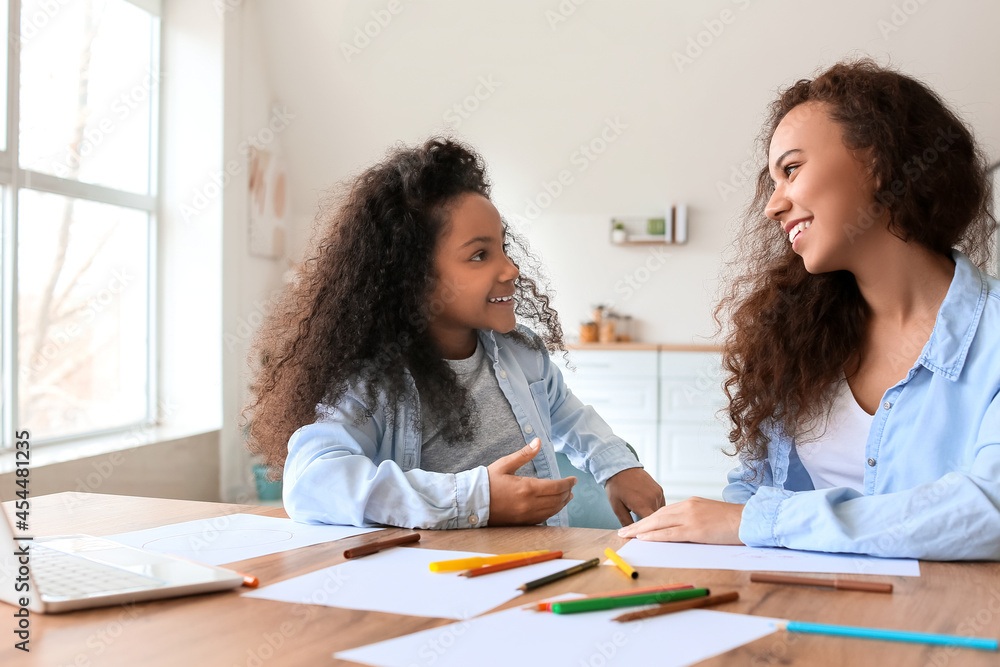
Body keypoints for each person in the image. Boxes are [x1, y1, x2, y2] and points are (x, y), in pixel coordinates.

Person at [619, 59, 1000, 560]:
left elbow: (987, 512)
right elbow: (748, 499)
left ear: (880, 163)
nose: (772, 205)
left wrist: (756, 520)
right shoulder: (797, 336)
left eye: (792, 169)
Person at [244, 138, 664, 530]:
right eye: (479, 255)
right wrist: (474, 498)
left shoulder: (524, 355)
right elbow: (311, 480)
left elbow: (572, 418)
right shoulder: (372, 382)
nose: (510, 270)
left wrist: (617, 466)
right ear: (413, 278)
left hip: (541, 568)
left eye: (503, 248)